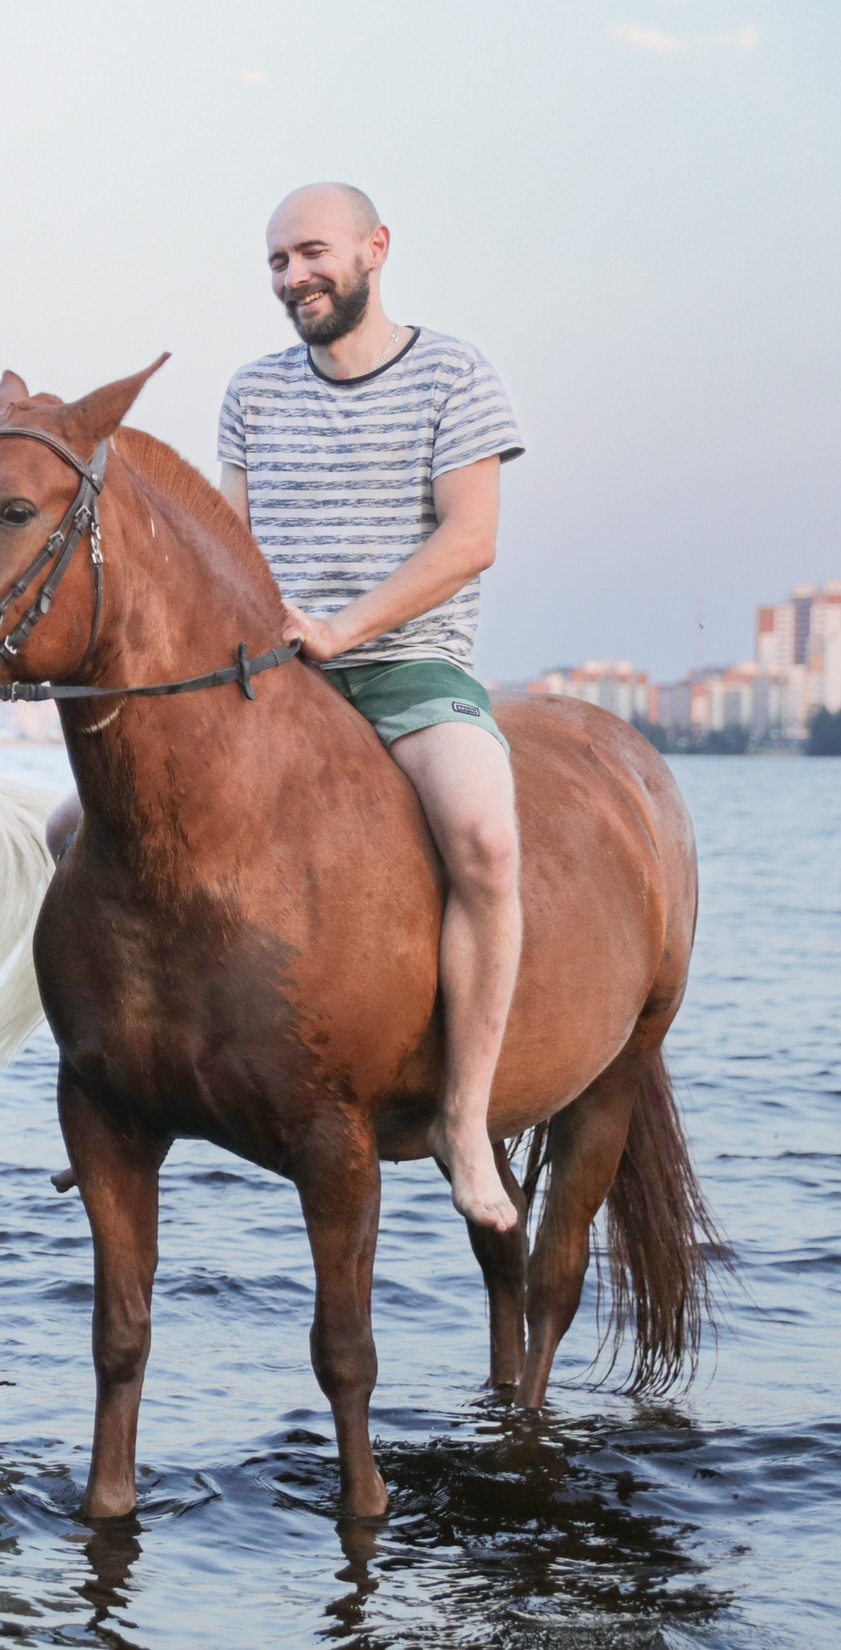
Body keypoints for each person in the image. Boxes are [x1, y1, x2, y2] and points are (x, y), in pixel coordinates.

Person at [216, 181, 527, 1233]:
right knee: (79, 828)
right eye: (274, 262)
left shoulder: (453, 372)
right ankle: (126, 1079)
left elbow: (470, 537)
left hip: (406, 670)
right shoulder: (252, 392)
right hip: (278, 679)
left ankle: (466, 1121)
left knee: (483, 838)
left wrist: (345, 628)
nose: (291, 276)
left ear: (373, 249)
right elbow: (229, 550)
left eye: (309, 252)